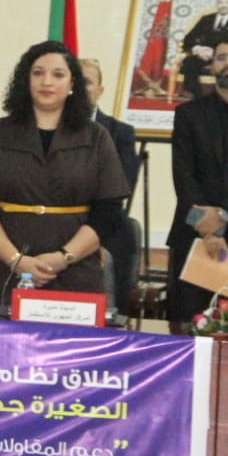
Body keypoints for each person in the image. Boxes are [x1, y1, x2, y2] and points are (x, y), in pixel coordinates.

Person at [0, 41, 129, 305]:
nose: (46, 81)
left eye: (58, 74)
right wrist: (16, 260)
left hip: (75, 274)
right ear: (25, 80)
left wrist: (63, 258)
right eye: (38, 73)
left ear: (72, 84)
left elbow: (109, 212)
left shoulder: (96, 137)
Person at [166, 40, 228, 326]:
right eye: (221, 57)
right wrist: (207, 228)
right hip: (195, 237)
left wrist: (225, 214)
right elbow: (183, 179)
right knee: (188, 327)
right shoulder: (188, 114)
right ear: (212, 65)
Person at [80, 57, 140, 314]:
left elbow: (123, 185)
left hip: (106, 223)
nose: (79, 88)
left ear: (100, 90)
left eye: (86, 82)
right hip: (56, 222)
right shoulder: (49, 129)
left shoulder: (120, 132)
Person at [179, 0, 228, 99]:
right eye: (220, 2)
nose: (224, 5)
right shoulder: (206, 19)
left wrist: (216, 52)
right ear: (217, 3)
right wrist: (198, 49)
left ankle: (226, 98)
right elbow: (188, 39)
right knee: (189, 62)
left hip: (226, 56)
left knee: (227, 67)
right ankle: (196, 96)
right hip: (204, 56)